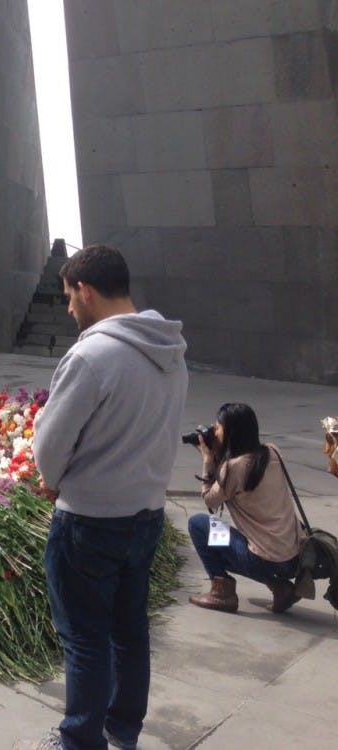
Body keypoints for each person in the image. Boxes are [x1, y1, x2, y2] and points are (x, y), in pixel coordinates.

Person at [30, 245, 188, 750]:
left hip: (90, 521)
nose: (70, 310)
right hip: (145, 516)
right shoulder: (171, 352)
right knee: (128, 630)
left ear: (87, 290)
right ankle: (122, 730)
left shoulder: (91, 355)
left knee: (85, 640)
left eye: (70, 298)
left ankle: (79, 742)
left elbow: (50, 447)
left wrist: (52, 476)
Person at [187, 403, 306, 614]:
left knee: (199, 524)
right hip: (294, 559)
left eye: (218, 427)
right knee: (244, 543)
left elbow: (209, 500)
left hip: (264, 562)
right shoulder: (273, 452)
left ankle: (222, 593)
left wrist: (207, 459)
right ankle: (280, 588)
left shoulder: (233, 468)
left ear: (230, 432)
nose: (214, 431)